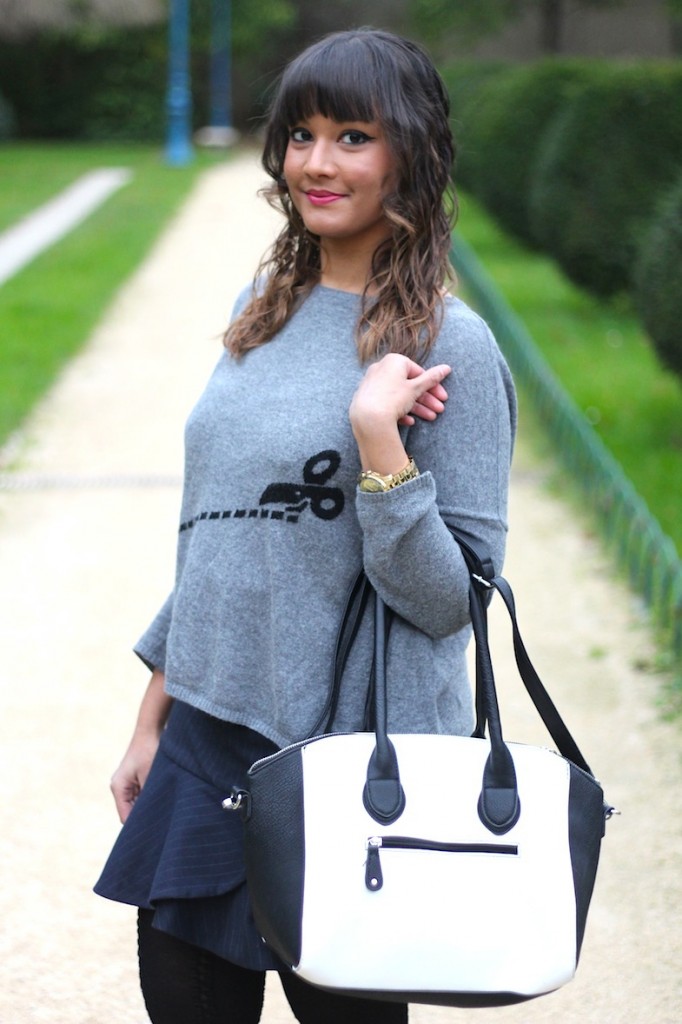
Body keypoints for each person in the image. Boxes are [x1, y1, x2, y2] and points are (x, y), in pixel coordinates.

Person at [95, 26, 516, 1024]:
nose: (317, 163)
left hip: (352, 761)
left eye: (353, 137)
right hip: (208, 736)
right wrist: (156, 715)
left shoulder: (450, 345)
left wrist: (381, 445)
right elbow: (223, 532)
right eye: (301, 135)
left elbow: (452, 600)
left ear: (412, 152)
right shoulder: (264, 308)